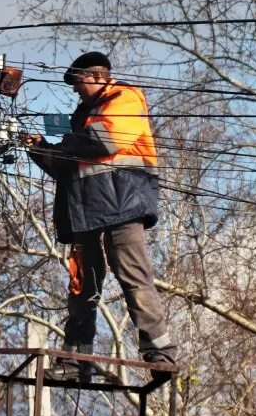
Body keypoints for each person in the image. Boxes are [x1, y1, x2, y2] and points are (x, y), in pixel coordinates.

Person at [25, 51, 177, 382]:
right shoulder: (80, 119)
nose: (75, 91)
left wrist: (63, 142)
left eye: (78, 83)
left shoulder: (125, 97)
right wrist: (39, 148)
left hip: (123, 204)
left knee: (132, 275)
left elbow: (106, 141)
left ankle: (160, 354)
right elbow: (68, 168)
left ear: (96, 76)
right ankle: (77, 363)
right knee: (82, 287)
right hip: (85, 210)